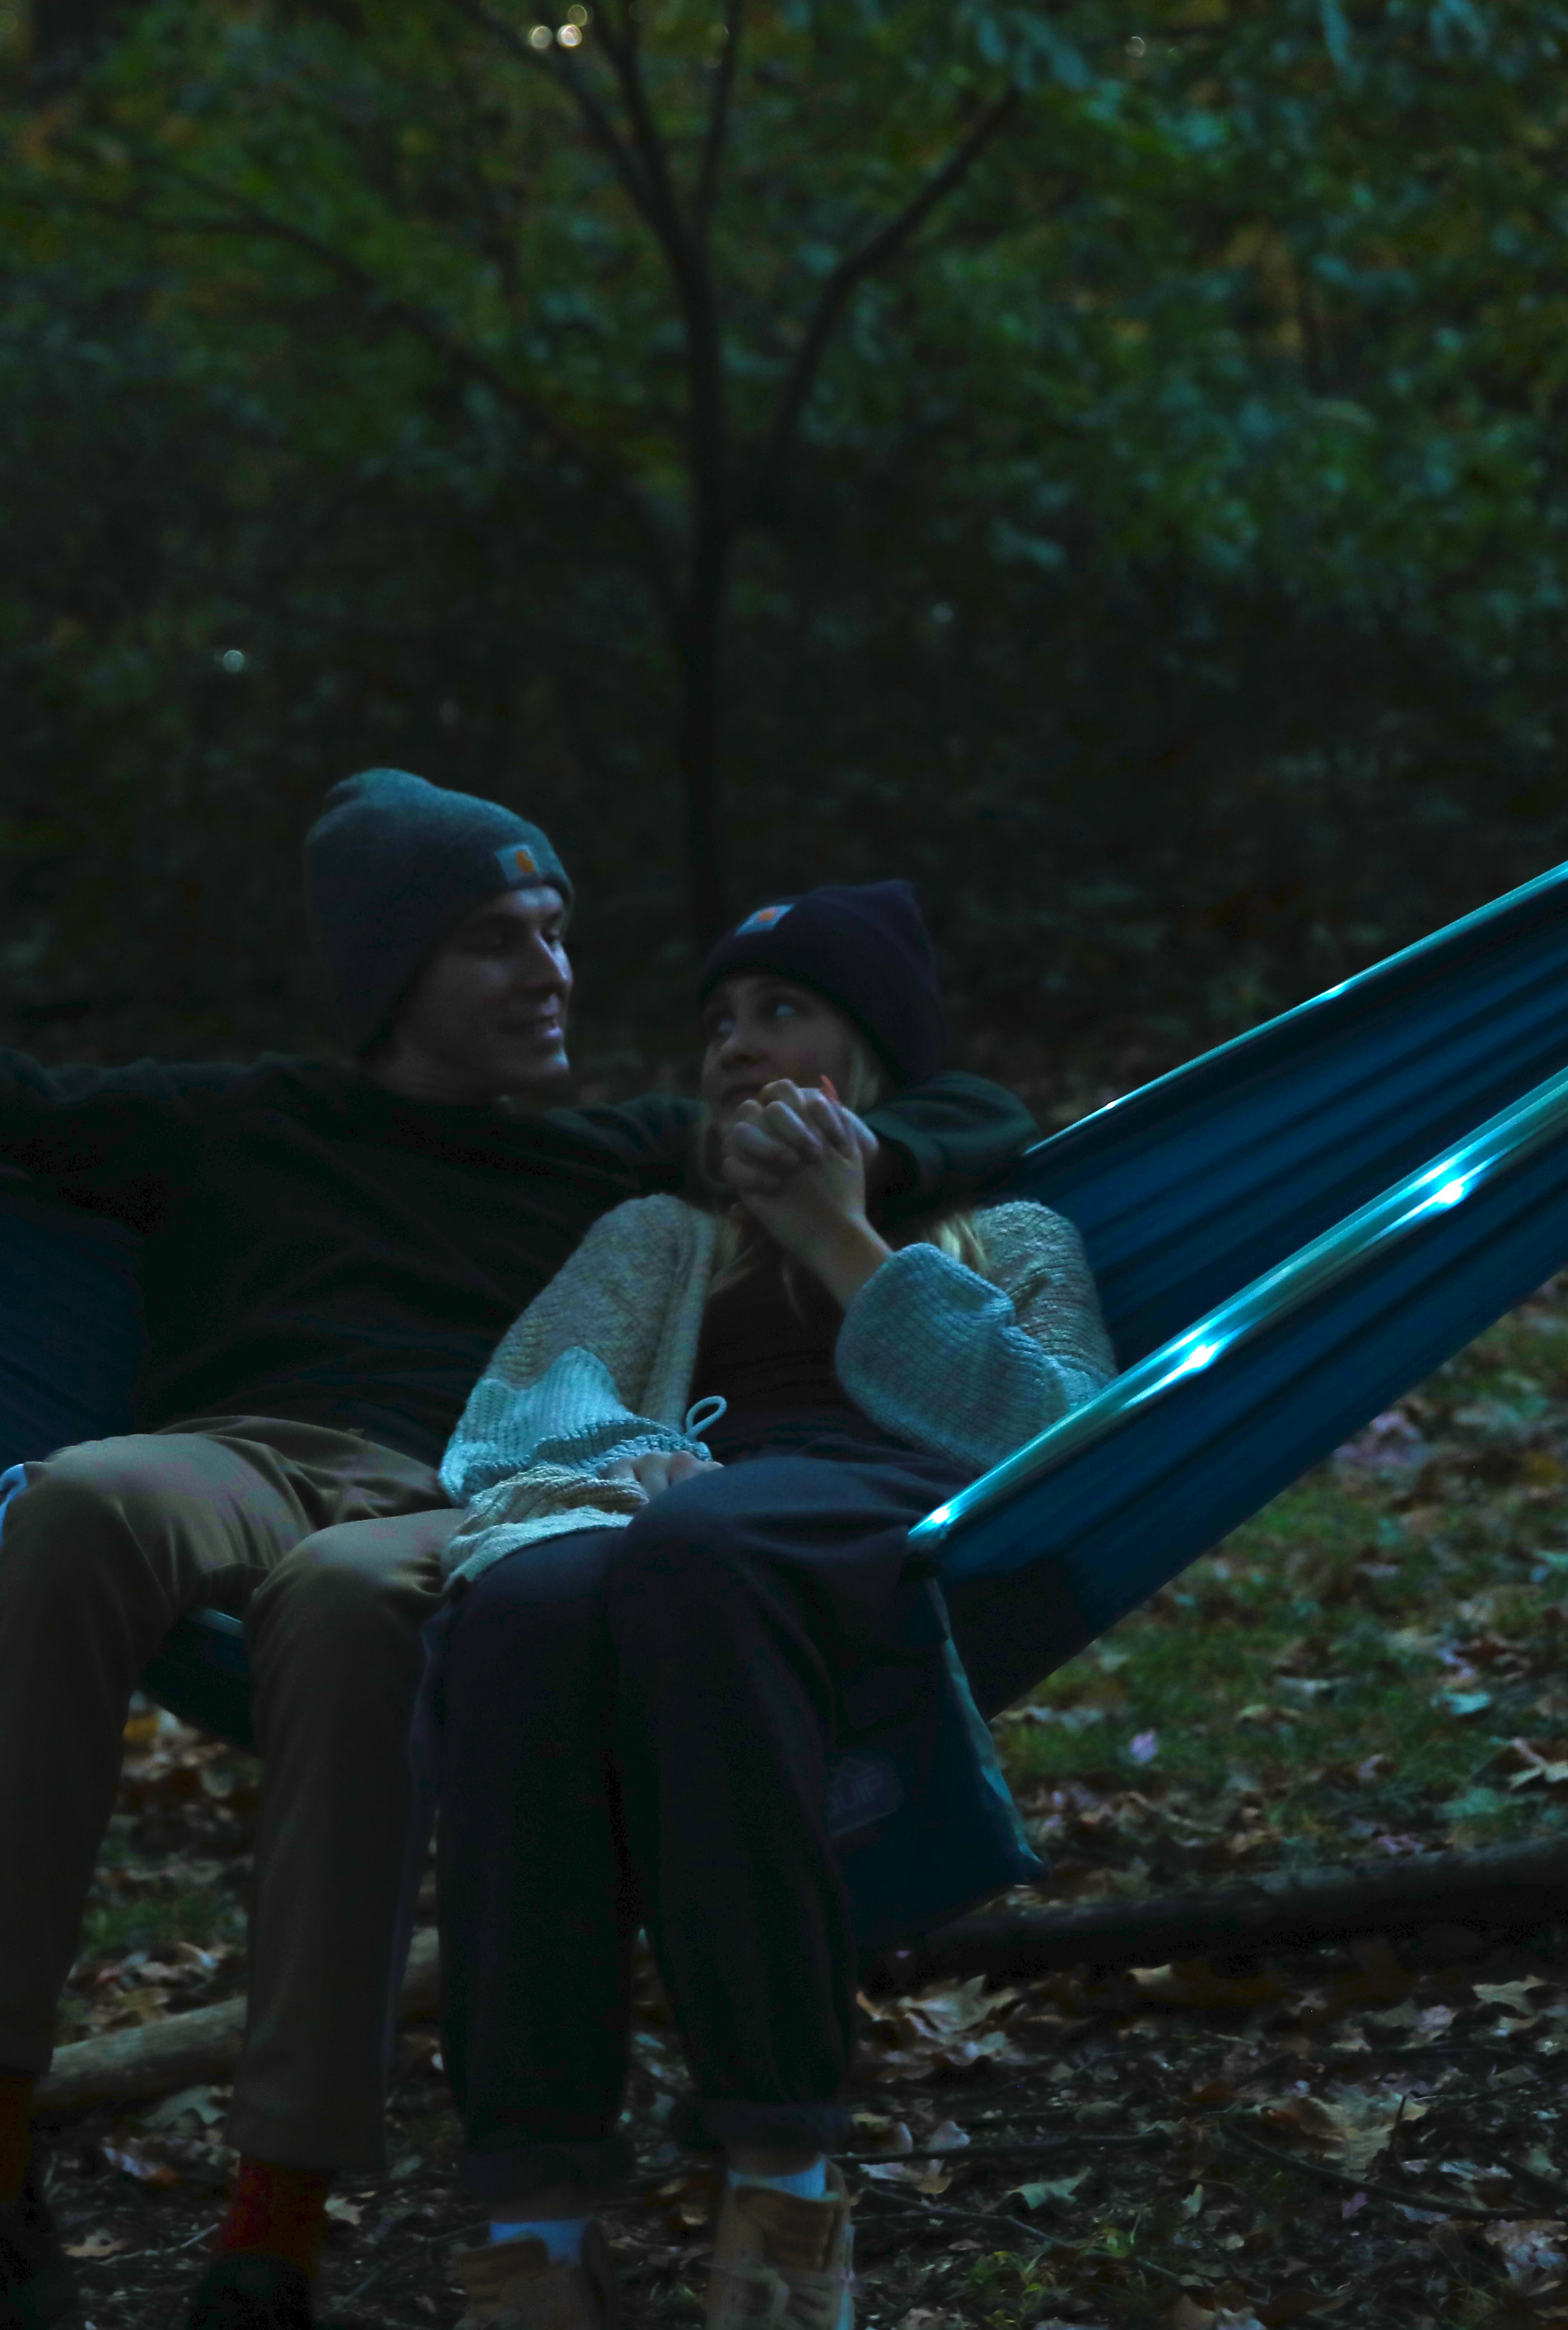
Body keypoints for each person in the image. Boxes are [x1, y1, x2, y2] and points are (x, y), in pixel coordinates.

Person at [0, 782, 1038, 2330]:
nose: (550, 973)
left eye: (557, 935)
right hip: (240, 1456)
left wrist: (838, 1148)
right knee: (64, 1502)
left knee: (343, 1604)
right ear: (395, 979)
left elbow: (978, 1120)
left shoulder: (624, 1162)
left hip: (466, 1495)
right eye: (493, 944)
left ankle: (276, 2231)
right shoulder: (238, 1117)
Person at [426, 881, 1116, 2330]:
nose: (735, 1045)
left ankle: (787, 2185)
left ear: (871, 1050)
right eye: (718, 1023)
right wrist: (624, 1468)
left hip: (897, 1510)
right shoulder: (654, 1238)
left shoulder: (1013, 1231)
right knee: (521, 1612)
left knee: (704, 1546)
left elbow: (1061, 1439)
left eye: (781, 1011)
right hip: (676, 1519)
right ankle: (530, 2226)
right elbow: (513, 1416)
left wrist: (846, 1238)